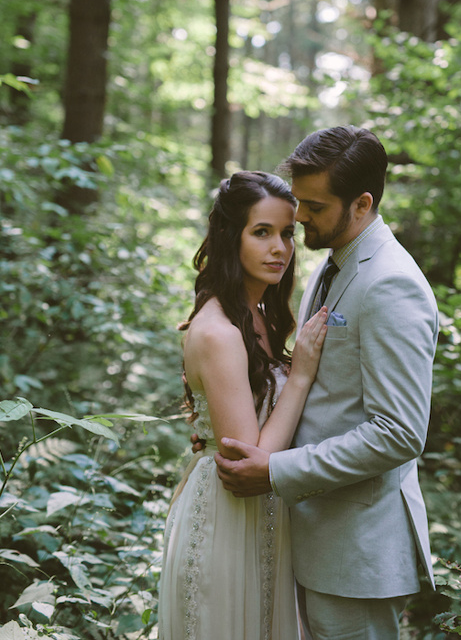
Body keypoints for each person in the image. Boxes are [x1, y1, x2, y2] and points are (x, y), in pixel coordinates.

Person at [214, 126, 439, 640]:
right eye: (300, 202)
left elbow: (399, 432)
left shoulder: (390, 284)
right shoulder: (334, 263)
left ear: (362, 204)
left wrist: (277, 470)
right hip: (316, 537)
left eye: (314, 206)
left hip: (356, 554)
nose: (300, 217)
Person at [157, 170, 328, 640]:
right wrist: (302, 376)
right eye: (262, 232)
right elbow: (247, 458)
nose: (280, 248)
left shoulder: (258, 313)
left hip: (267, 517)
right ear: (231, 237)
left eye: (287, 233)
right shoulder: (218, 330)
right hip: (228, 517)